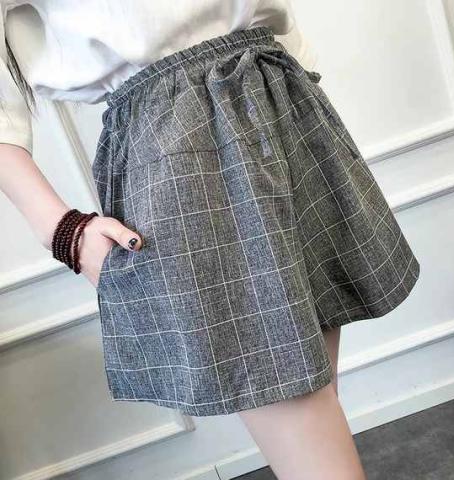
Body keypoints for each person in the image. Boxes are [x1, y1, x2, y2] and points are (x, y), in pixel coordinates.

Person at [0, 1, 420, 478]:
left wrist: (299, 84)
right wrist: (63, 232)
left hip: (281, 93)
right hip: (185, 142)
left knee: (315, 419)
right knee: (311, 440)